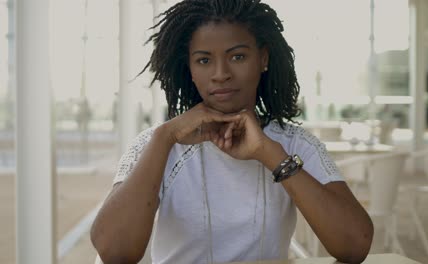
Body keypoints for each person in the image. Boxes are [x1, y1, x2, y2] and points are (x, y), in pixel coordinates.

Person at [90, 1, 374, 263]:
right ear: (189, 69)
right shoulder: (159, 143)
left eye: (237, 56)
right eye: (203, 60)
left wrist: (269, 153)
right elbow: (115, 252)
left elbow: (354, 245)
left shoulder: (296, 144)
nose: (220, 73)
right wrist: (165, 138)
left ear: (263, 58)